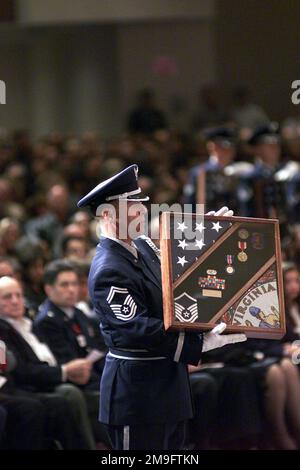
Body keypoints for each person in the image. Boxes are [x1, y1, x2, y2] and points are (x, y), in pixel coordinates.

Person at [77, 163, 246, 450]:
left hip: (168, 386)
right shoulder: (109, 268)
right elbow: (136, 329)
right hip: (138, 393)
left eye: (141, 203)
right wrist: (197, 343)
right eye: (132, 206)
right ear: (107, 214)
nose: (141, 211)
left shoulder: (141, 245)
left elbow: (176, 278)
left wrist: (210, 237)